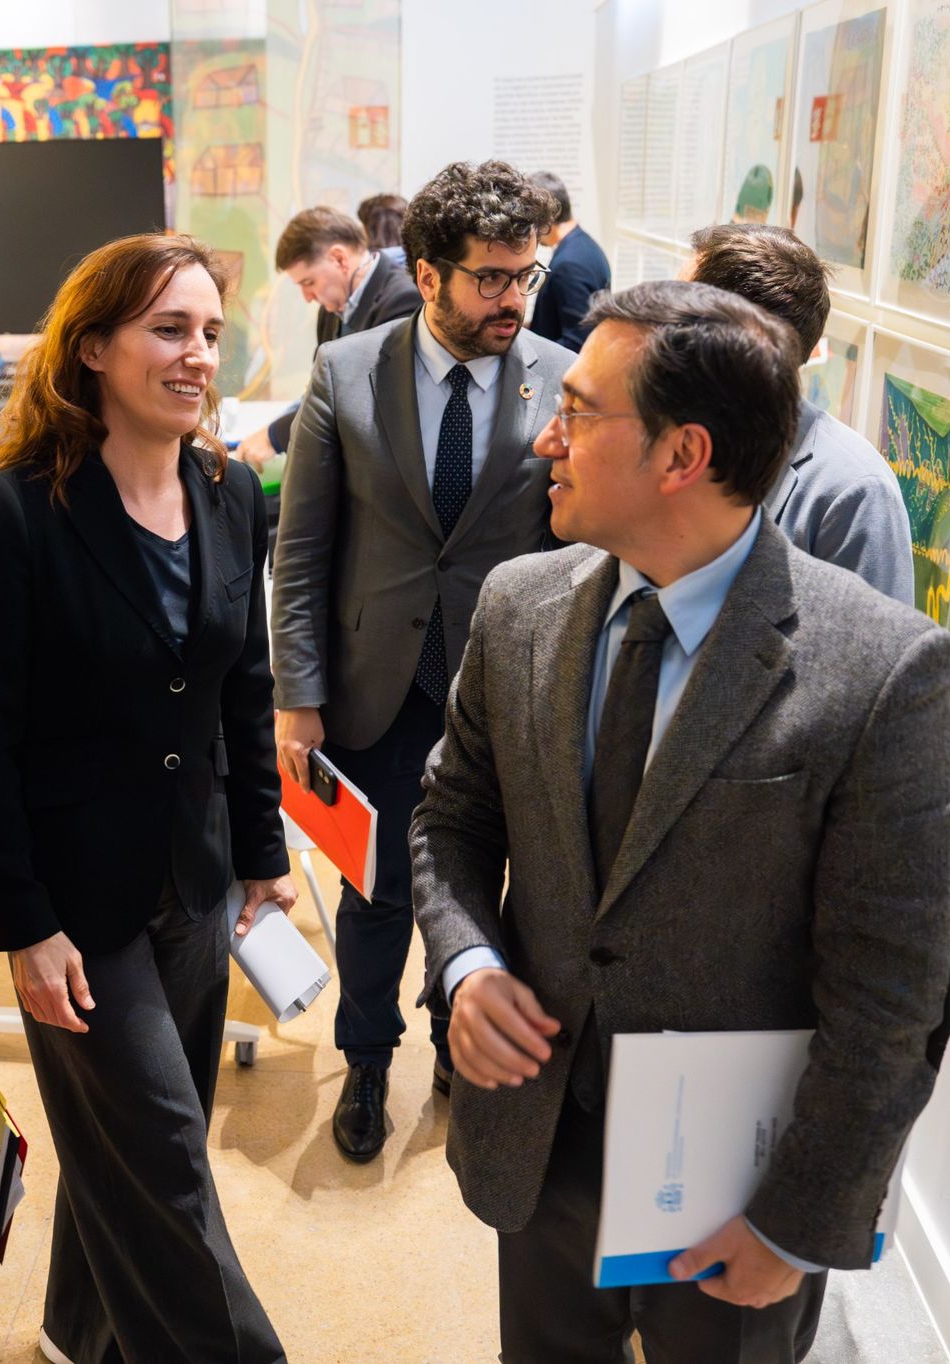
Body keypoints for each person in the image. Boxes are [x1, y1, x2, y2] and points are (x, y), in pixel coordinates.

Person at [412, 280, 950, 1362]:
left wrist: (799, 1220)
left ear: (682, 455)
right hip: (539, 1133)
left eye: (577, 412)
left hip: (738, 1187)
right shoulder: (518, 606)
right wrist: (468, 964)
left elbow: (894, 996)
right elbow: (451, 817)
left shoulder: (878, 671)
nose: (544, 439)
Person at [0, 233, 292, 1364]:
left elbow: (244, 688)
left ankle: (75, 1328)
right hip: (76, 902)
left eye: (209, 332)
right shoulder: (17, 512)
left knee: (132, 1146)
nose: (198, 354)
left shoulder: (228, 492)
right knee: (168, 1163)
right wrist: (21, 923)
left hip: (192, 878)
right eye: (167, 329)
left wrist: (262, 848)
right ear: (92, 348)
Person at [272, 159, 571, 1164]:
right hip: (376, 686)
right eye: (490, 278)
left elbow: (576, 552)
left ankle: (453, 1042)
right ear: (429, 273)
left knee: (483, 880)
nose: (512, 299)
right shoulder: (346, 370)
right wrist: (297, 694)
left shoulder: (561, 375)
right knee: (376, 890)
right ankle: (365, 1057)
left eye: (524, 276)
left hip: (503, 689)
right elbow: (302, 549)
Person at [686, 222, 912, 604]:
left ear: (735, 340)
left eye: (677, 311)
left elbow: (878, 638)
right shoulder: (673, 437)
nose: (655, 328)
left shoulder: (855, 491)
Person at [234, 206, 422, 472]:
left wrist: (275, 436)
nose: (307, 297)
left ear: (339, 259)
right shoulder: (332, 308)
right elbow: (321, 388)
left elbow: (362, 400)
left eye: (308, 282)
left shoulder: (403, 301)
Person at [526, 174, 611, 353]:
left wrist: (528, 351)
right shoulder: (584, 246)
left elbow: (577, 343)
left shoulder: (569, 265)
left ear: (546, 215)